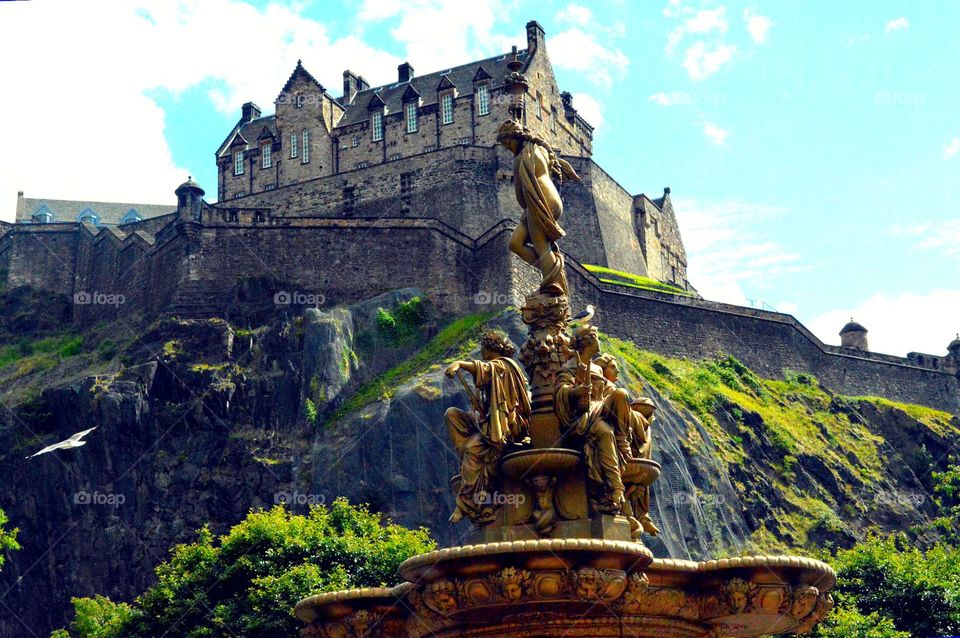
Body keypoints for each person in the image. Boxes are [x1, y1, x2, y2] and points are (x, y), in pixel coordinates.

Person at [444, 330, 531, 524]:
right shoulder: (494, 368)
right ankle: (469, 457)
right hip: (487, 423)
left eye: (483, 348)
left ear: (492, 349)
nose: (481, 352)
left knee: (473, 449)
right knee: (452, 415)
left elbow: (487, 369)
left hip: (506, 426)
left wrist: (460, 364)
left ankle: (465, 503)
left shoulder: (506, 365)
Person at [497, 120, 580, 297]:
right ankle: (551, 275)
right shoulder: (539, 148)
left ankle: (553, 288)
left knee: (542, 246)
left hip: (539, 200)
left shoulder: (521, 156)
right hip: (550, 199)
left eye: (508, 143)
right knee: (515, 243)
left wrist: (525, 205)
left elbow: (520, 192)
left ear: (516, 137)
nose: (508, 148)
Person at [554, 324, 624, 513]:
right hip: (583, 417)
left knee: (622, 395)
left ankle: (624, 442)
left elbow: (607, 392)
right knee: (604, 432)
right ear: (589, 342)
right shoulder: (569, 367)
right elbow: (560, 392)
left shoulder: (597, 369)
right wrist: (576, 391)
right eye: (597, 337)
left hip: (600, 407)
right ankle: (615, 488)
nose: (600, 341)